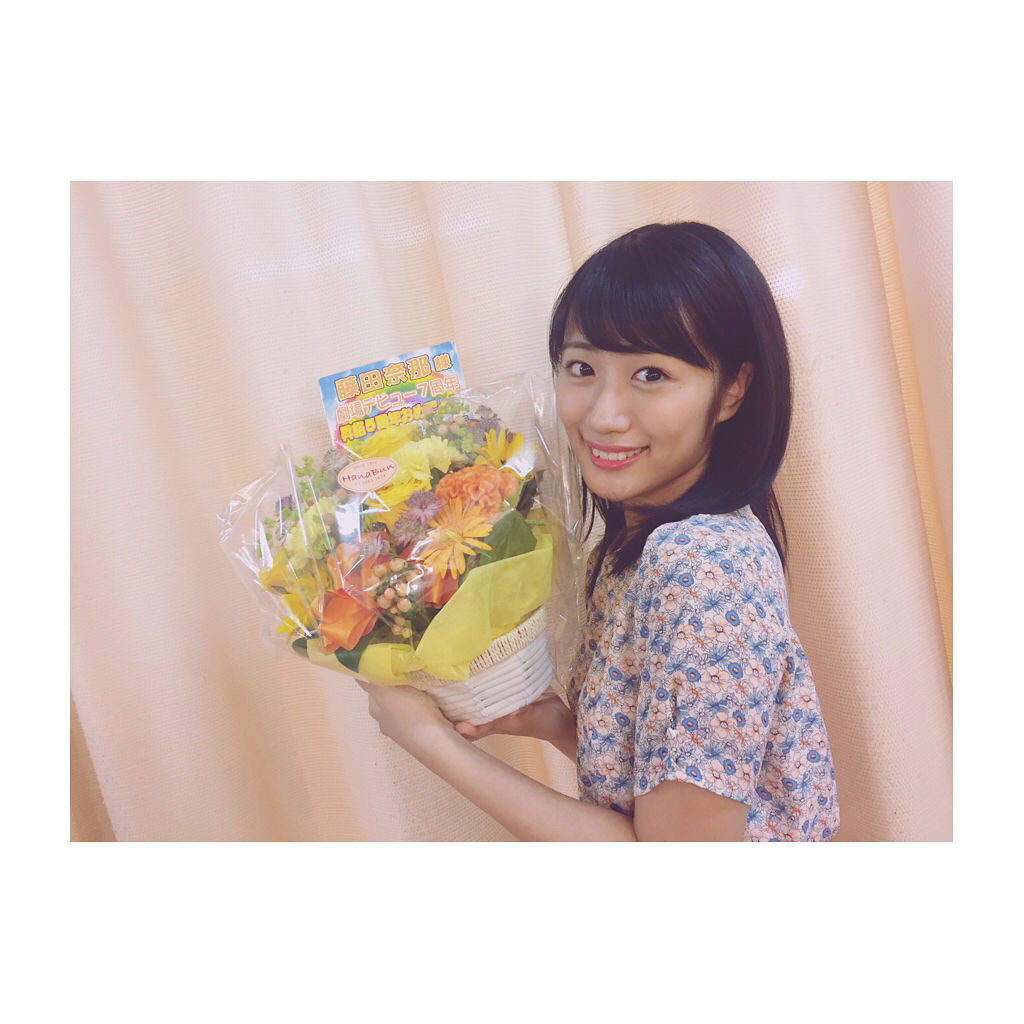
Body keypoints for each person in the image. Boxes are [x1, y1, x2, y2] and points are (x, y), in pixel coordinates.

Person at [358, 221, 840, 841]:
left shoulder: (701, 567)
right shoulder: (644, 546)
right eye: (582, 368)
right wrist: (554, 722)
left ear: (732, 390)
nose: (604, 415)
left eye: (652, 375)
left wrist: (430, 742)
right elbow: (661, 782)